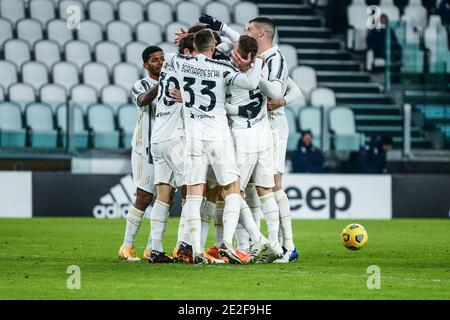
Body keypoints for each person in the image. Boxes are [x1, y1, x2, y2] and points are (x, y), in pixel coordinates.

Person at [200, 15, 299, 263]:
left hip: (255, 131)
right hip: (262, 129)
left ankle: (241, 244)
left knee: (239, 190)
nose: (241, 34)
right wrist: (221, 28)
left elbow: (282, 90)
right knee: (262, 190)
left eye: (247, 30)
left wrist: (280, 99)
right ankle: (268, 245)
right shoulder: (259, 62)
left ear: (260, 34)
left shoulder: (269, 62)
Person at [168, 29, 266, 264]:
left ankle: (196, 250)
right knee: (232, 188)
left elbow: (175, 59)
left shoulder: (178, 61)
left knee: (194, 195)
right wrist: (258, 61)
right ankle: (227, 243)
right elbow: (252, 82)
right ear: (213, 47)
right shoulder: (223, 70)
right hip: (218, 136)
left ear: (193, 45)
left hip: (193, 136)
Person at [118, 46, 162, 261]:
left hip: (167, 148)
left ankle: (153, 247)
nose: (160, 63)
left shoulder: (176, 83)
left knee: (166, 197)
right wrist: (162, 84)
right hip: (145, 148)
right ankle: (127, 246)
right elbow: (143, 100)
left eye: (162, 58)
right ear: (146, 65)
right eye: (155, 60)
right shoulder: (141, 84)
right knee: (144, 197)